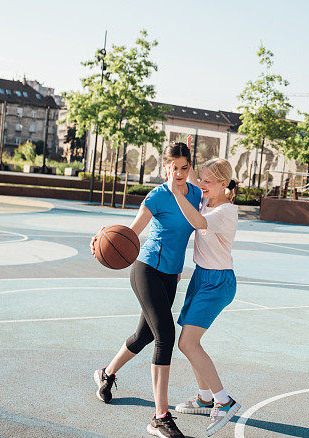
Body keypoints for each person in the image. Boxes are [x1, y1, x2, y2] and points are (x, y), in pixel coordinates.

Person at [91, 142, 200, 438]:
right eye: (173, 167)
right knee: (165, 336)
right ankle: (160, 418)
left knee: (144, 335)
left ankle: (106, 373)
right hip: (146, 269)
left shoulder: (196, 194)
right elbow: (130, 233)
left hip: (170, 276)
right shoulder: (157, 196)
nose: (178, 173)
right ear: (164, 166)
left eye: (184, 167)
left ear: (190, 167)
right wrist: (102, 238)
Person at [169, 158, 241, 436]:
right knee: (190, 342)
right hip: (201, 277)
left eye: (207, 181)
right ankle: (204, 398)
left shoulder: (225, 212)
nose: (201, 185)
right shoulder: (207, 200)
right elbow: (191, 196)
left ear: (224, 185)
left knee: (187, 343)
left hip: (218, 282)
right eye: (200, 179)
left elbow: (197, 221)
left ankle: (224, 401)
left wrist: (178, 193)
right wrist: (181, 163)